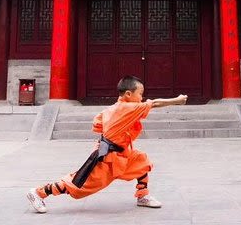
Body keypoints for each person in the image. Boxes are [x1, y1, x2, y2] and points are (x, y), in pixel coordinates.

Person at [26, 75, 188, 213]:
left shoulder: (112, 108)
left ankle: (142, 195)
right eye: (140, 94)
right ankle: (39, 193)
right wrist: (177, 100)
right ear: (128, 94)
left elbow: (98, 122)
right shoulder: (127, 108)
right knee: (79, 184)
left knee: (141, 161)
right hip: (108, 157)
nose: (142, 98)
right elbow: (155, 103)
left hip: (121, 152)